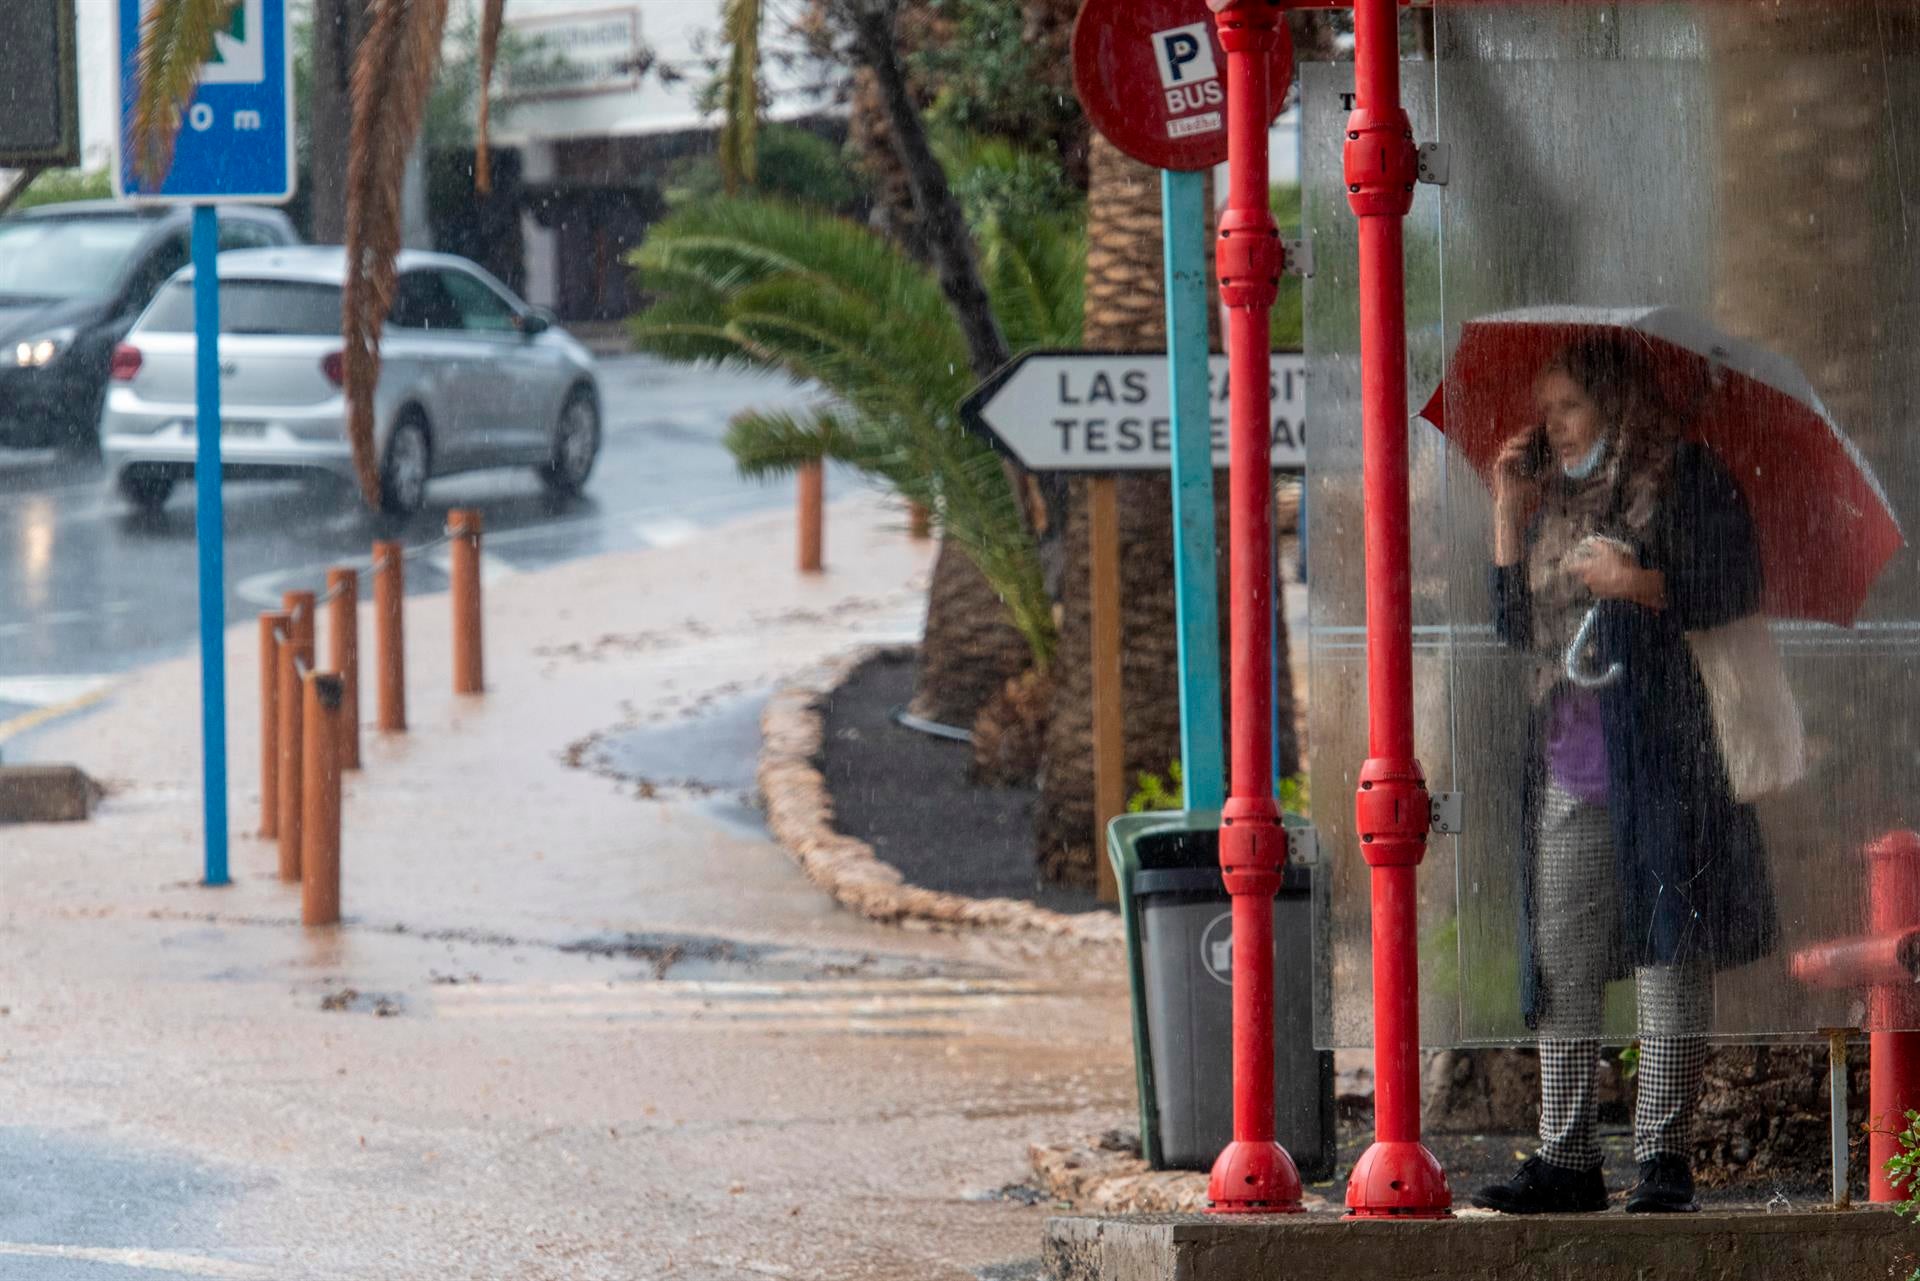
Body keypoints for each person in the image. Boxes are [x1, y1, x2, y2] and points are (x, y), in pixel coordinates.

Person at [1470, 334, 1779, 1215]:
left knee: (1667, 945)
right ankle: (1566, 1156)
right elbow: (1516, 628)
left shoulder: (1683, 475)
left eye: (1567, 404)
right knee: (1563, 955)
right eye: (1547, 408)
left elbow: (1732, 583)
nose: (1552, 424)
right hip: (1570, 754)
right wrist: (1505, 509)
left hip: (1665, 754)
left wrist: (1638, 580)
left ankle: (1663, 1158)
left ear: (1613, 401)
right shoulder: (1554, 498)